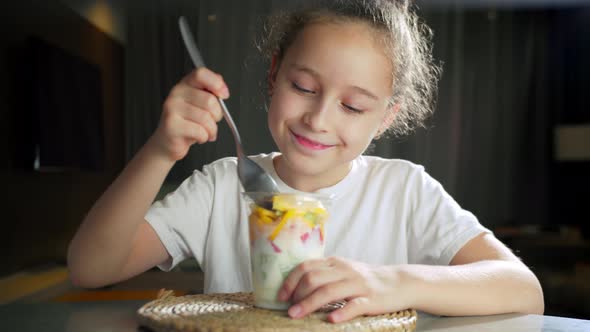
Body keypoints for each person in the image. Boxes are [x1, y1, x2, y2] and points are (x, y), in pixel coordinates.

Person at [68, 0, 544, 323]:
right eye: (304, 88)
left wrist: (389, 281)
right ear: (275, 75)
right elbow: (90, 268)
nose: (318, 119)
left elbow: (524, 290)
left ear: (385, 117)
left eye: (353, 107)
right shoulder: (220, 186)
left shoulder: (404, 190)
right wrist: (160, 151)